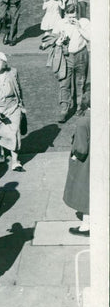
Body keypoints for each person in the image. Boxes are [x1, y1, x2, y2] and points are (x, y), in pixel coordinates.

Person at [63, 94, 90, 236]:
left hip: (86, 164)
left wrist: (74, 156)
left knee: (84, 193)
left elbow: (81, 149)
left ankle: (86, 226)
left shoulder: (83, 122)